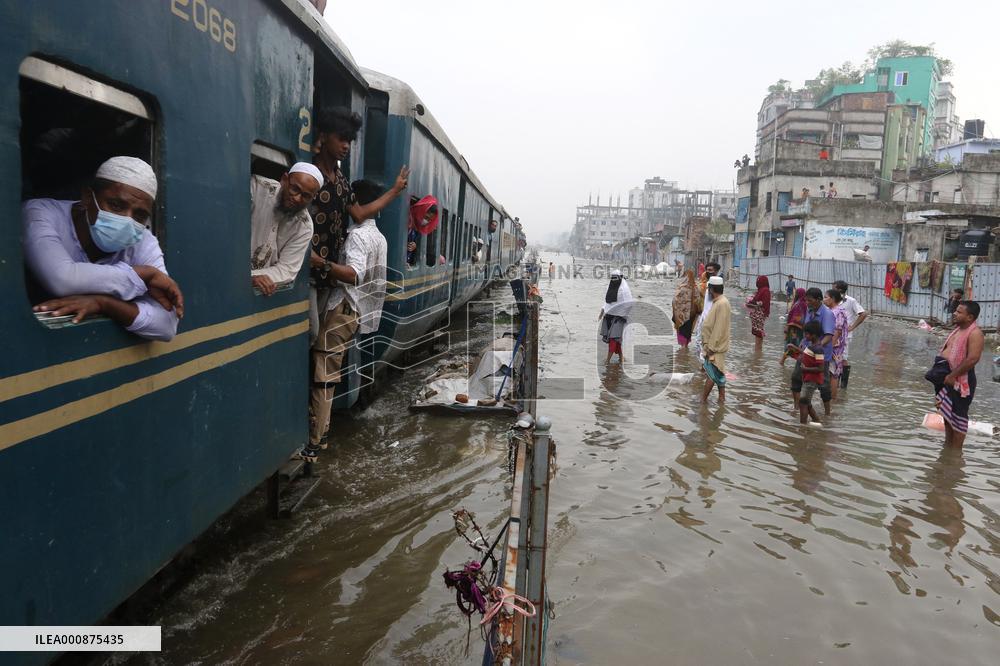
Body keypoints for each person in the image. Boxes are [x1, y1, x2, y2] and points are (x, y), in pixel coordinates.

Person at [306, 107, 408, 458]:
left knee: (321, 367)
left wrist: (395, 192)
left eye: (350, 140)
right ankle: (316, 434)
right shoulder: (311, 175)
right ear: (323, 137)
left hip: (329, 283)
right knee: (319, 363)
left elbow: (360, 213)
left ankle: (316, 438)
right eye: (341, 138)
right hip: (312, 278)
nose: (347, 145)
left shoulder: (341, 181)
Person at [23, 156, 183, 341]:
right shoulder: (40, 213)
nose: (127, 220)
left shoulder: (144, 242)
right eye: (116, 205)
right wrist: (141, 275)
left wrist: (104, 303)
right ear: (87, 198)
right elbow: (62, 279)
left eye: (139, 215)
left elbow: (167, 326)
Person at [299, 180, 390, 462]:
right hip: (356, 312)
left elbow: (354, 274)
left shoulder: (358, 237)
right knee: (328, 373)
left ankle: (315, 441)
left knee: (323, 376)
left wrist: (320, 263)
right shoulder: (380, 238)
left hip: (342, 309)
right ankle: (320, 433)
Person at [250, 162, 320, 296]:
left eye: (306, 196)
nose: (297, 198)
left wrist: (254, 278)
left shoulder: (304, 227)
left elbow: (287, 269)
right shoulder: (257, 188)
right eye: (295, 189)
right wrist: (245, 278)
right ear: (284, 180)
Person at [932, 301, 984, 448]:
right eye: (956, 310)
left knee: (958, 418)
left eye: (959, 312)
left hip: (960, 381)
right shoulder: (957, 330)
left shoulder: (975, 333)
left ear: (970, 317)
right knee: (947, 416)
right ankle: (947, 450)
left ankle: (956, 455)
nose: (954, 313)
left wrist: (952, 376)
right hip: (948, 378)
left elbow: (973, 358)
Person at [792, 288, 834, 413]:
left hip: (820, 355)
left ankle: (827, 413)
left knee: (824, 385)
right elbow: (807, 331)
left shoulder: (827, 314)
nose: (807, 303)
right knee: (796, 378)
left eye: (810, 301)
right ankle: (796, 407)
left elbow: (829, 335)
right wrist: (801, 344)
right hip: (805, 352)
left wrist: (817, 347)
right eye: (806, 300)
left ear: (818, 300)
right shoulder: (809, 311)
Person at [700, 276, 730, 404]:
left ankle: (702, 400)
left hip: (715, 348)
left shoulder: (722, 304)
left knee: (712, 375)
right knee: (719, 374)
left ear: (711, 289)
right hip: (714, 346)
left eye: (708, 290)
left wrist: (710, 348)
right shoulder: (719, 302)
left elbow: (718, 329)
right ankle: (721, 399)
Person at [832, 280, 867, 388]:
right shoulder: (833, 300)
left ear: (839, 290)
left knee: (842, 358)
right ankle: (835, 383)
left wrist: (852, 327)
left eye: (834, 288)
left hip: (844, 336)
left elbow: (863, 314)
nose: (832, 289)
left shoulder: (851, 301)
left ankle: (843, 385)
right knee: (835, 357)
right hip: (833, 333)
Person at [598, 269, 632, 364]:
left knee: (614, 339)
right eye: (612, 278)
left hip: (619, 319)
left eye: (615, 278)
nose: (613, 280)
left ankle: (607, 361)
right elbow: (607, 302)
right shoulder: (611, 287)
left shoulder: (624, 290)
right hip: (609, 317)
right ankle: (621, 358)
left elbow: (628, 304)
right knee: (616, 340)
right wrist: (601, 313)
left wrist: (622, 314)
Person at [798, 321, 825, 424]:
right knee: (807, 403)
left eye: (807, 334)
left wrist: (806, 369)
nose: (805, 336)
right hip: (807, 377)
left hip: (812, 379)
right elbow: (807, 356)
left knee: (803, 402)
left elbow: (821, 368)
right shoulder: (811, 346)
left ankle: (803, 426)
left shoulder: (818, 349)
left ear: (814, 335)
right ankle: (817, 421)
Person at [825, 289, 849, 400]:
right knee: (832, 373)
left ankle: (832, 401)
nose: (824, 300)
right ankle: (830, 400)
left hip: (834, 348)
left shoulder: (837, 311)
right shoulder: (834, 310)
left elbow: (837, 331)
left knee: (833, 374)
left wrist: (829, 347)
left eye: (826, 297)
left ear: (833, 299)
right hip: (834, 347)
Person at [672, 269, 702, 348]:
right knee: (688, 330)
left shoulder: (681, 288)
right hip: (691, 314)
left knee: (682, 330)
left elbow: (674, 300)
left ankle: (682, 349)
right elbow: (698, 300)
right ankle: (685, 347)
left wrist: (677, 310)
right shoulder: (696, 287)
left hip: (681, 314)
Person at [407, 195, 438, 266]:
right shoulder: (408, 223)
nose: (426, 221)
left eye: (429, 220)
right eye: (426, 217)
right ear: (420, 211)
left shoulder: (417, 230)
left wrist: (416, 247)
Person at [781, 287, 807, 365]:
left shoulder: (799, 304)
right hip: (797, 329)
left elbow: (796, 318)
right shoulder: (801, 303)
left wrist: (788, 327)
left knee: (793, 346)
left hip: (795, 329)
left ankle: (784, 362)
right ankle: (784, 362)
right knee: (795, 346)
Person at [746, 275, 771, 341]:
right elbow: (756, 300)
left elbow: (763, 303)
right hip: (758, 315)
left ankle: (758, 350)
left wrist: (754, 303)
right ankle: (758, 351)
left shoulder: (765, 290)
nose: (757, 282)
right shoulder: (761, 290)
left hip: (760, 315)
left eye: (759, 281)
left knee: (759, 333)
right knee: (758, 333)